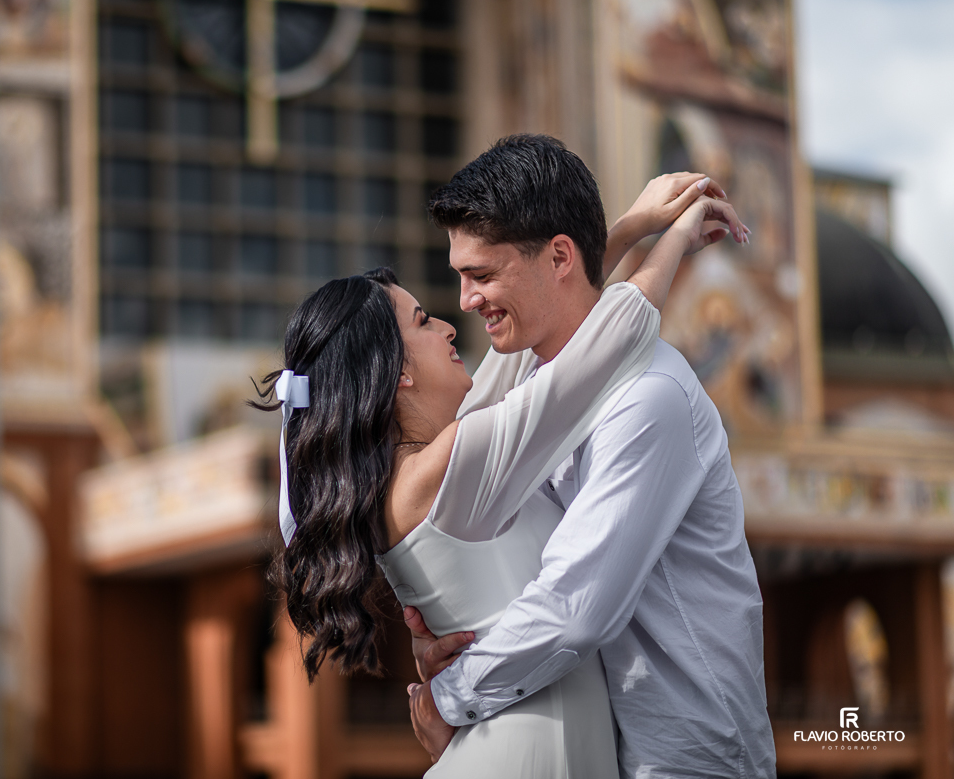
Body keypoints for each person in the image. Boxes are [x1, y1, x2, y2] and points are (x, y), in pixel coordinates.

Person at [257, 138, 746, 775]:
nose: (455, 315)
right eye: (423, 321)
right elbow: (598, 342)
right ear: (398, 373)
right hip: (528, 748)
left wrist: (622, 230)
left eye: (480, 276)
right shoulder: (452, 457)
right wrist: (670, 237)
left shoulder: (423, 463)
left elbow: (544, 344)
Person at [403, 134, 776, 778]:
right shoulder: (529, 385)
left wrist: (450, 695)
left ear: (558, 257)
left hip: (685, 759)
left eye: (482, 275)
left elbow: (573, 610)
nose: (464, 301)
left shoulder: (648, 399)